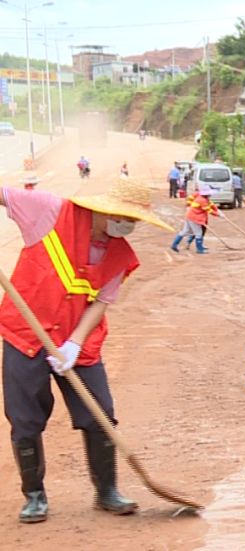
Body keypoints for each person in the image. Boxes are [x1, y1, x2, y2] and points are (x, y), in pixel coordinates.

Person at [0, 179, 173, 523]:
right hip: (26, 332)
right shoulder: (49, 211)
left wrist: (75, 343)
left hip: (79, 342)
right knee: (25, 419)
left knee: (100, 413)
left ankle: (107, 491)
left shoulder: (121, 253)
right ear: (101, 209)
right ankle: (34, 495)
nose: (127, 226)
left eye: (133, 221)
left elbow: (101, 302)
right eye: (123, 217)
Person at [170, 185, 219, 254]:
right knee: (198, 233)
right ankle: (199, 249)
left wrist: (216, 210)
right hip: (195, 218)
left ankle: (174, 245)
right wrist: (218, 215)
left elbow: (210, 204)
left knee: (185, 231)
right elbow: (208, 210)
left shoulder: (203, 198)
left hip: (190, 216)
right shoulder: (202, 200)